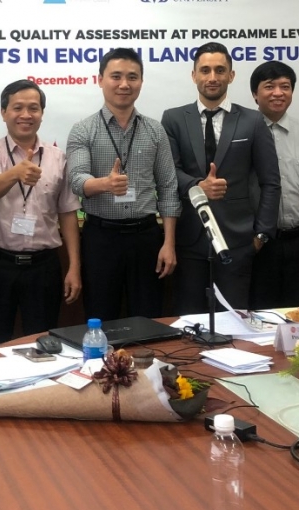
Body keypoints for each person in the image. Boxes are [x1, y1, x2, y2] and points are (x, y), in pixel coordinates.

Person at [161, 42, 279, 314]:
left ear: (231, 75)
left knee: (234, 322)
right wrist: (197, 186)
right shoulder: (174, 119)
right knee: (190, 322)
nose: (212, 77)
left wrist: (261, 235)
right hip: (189, 239)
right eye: (205, 70)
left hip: (239, 241)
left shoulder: (253, 121)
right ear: (194, 75)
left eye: (219, 70)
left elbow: (271, 182)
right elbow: (168, 172)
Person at [66, 48, 180, 321]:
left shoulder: (155, 130)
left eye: (132, 77)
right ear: (100, 80)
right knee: (102, 317)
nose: (124, 84)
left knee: (149, 318)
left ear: (141, 81)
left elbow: (168, 187)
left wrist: (169, 243)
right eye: (116, 76)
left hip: (146, 237)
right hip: (101, 238)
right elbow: (77, 180)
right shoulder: (83, 129)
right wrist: (105, 184)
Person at [0, 80, 82, 349]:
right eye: (17, 108)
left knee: (44, 344)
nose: (26, 115)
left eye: (33, 108)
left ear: (42, 114)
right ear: (3, 113)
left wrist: (74, 267)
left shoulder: (57, 157)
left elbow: (68, 213)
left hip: (43, 267)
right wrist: (15, 173)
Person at [248, 61, 299, 308]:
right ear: (255, 94)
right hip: (261, 242)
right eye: (269, 86)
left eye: (285, 86)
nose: (278, 93)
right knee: (260, 312)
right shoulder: (243, 132)